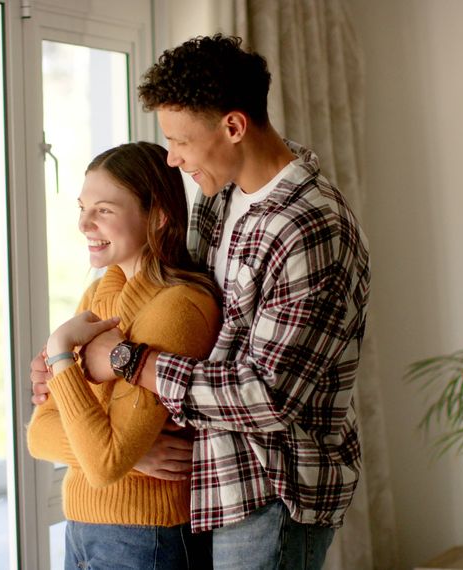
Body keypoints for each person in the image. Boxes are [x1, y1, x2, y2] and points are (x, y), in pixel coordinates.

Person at [76, 34, 371, 569]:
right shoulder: (220, 197)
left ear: (233, 127)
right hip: (216, 482)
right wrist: (69, 363)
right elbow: (187, 315)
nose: (172, 157)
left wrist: (127, 361)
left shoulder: (308, 228)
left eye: (180, 141)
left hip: (273, 488)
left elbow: (267, 394)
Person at [25, 141, 221, 570]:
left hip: (146, 537)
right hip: (82, 526)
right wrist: (137, 457)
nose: (83, 223)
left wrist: (60, 353)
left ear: (158, 216)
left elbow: (104, 461)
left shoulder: (178, 307)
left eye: (104, 210)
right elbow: (39, 435)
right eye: (82, 207)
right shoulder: (100, 292)